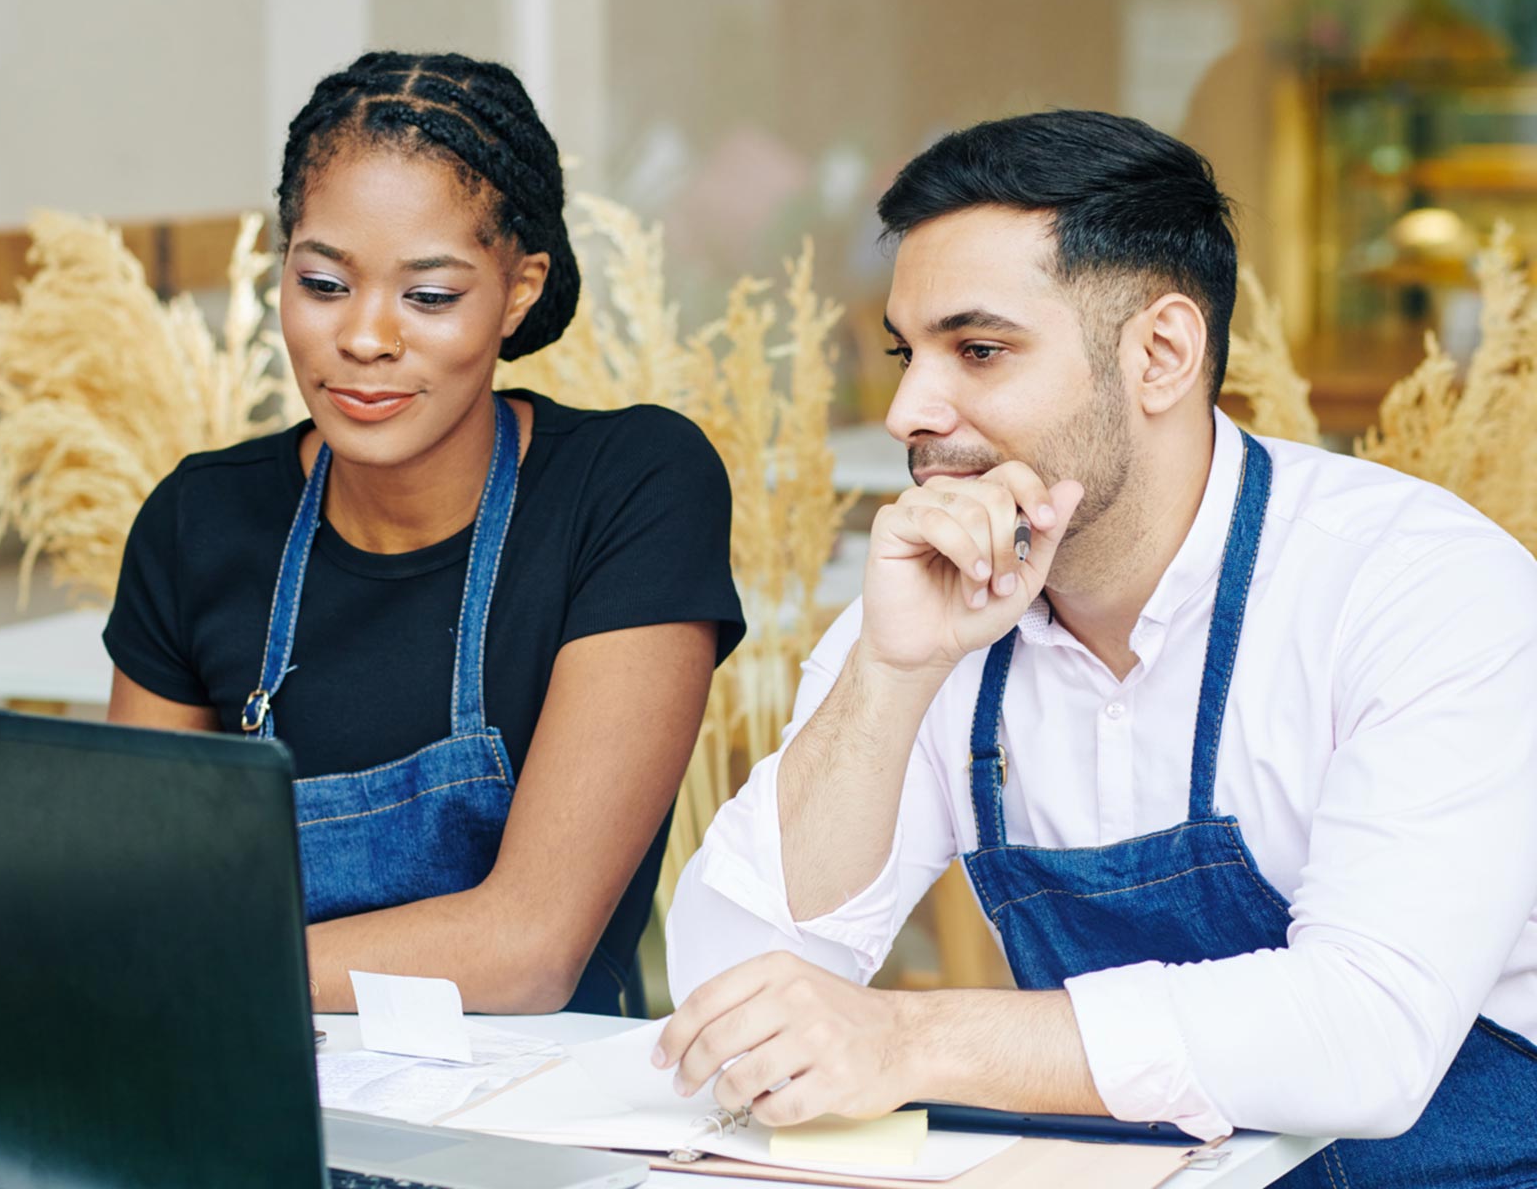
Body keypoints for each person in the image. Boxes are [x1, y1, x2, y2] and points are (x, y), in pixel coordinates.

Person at [658, 110, 1537, 1187]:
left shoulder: (1420, 588)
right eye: (906, 352)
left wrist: (911, 1039)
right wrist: (889, 679)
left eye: (977, 349)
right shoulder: (930, 606)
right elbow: (732, 999)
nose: (907, 410)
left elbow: (1367, 1035)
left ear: (1161, 353)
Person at [104, 51, 745, 1017]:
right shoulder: (200, 521)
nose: (365, 338)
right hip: (259, 1094)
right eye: (323, 284)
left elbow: (528, 951)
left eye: (429, 297)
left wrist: (194, 964)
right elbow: (135, 900)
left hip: (530, 1126)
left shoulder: (631, 488)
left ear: (519, 289)